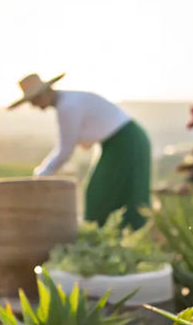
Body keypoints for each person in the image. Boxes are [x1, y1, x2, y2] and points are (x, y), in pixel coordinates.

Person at [8, 73, 151, 230]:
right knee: (111, 192)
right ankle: (112, 237)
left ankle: (107, 236)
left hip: (125, 142)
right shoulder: (69, 101)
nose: (34, 105)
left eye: (35, 100)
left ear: (46, 92)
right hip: (120, 142)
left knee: (105, 192)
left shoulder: (67, 107)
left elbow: (65, 149)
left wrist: (42, 174)